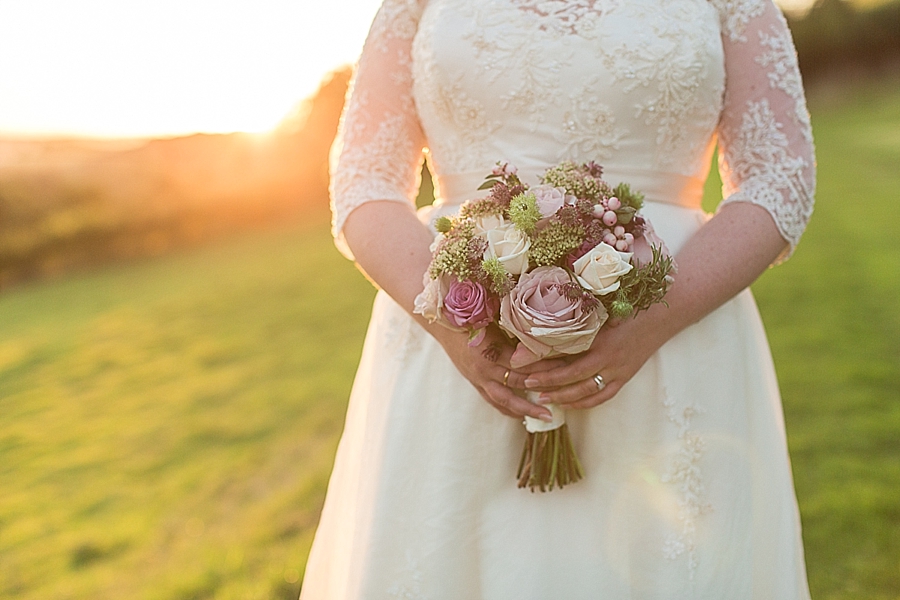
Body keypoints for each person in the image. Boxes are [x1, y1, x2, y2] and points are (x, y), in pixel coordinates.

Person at [301, 0, 815, 597]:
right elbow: (364, 177)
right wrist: (456, 326)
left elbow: (780, 176)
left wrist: (654, 318)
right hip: (459, 342)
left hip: (673, 328)